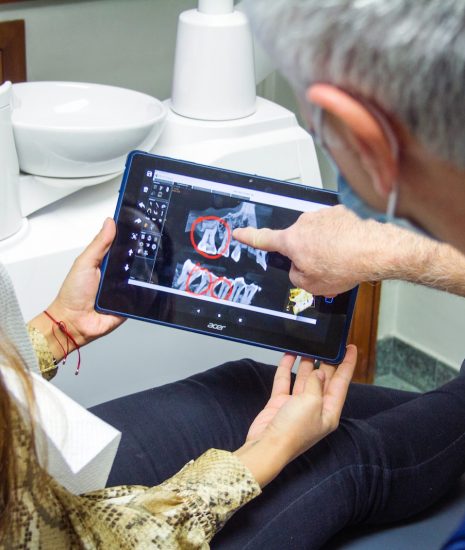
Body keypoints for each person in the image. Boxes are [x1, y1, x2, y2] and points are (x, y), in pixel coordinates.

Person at [2, 1, 465, 549]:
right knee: (342, 458)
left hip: (22, 460)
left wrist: (54, 331)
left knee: (246, 382)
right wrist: (260, 456)